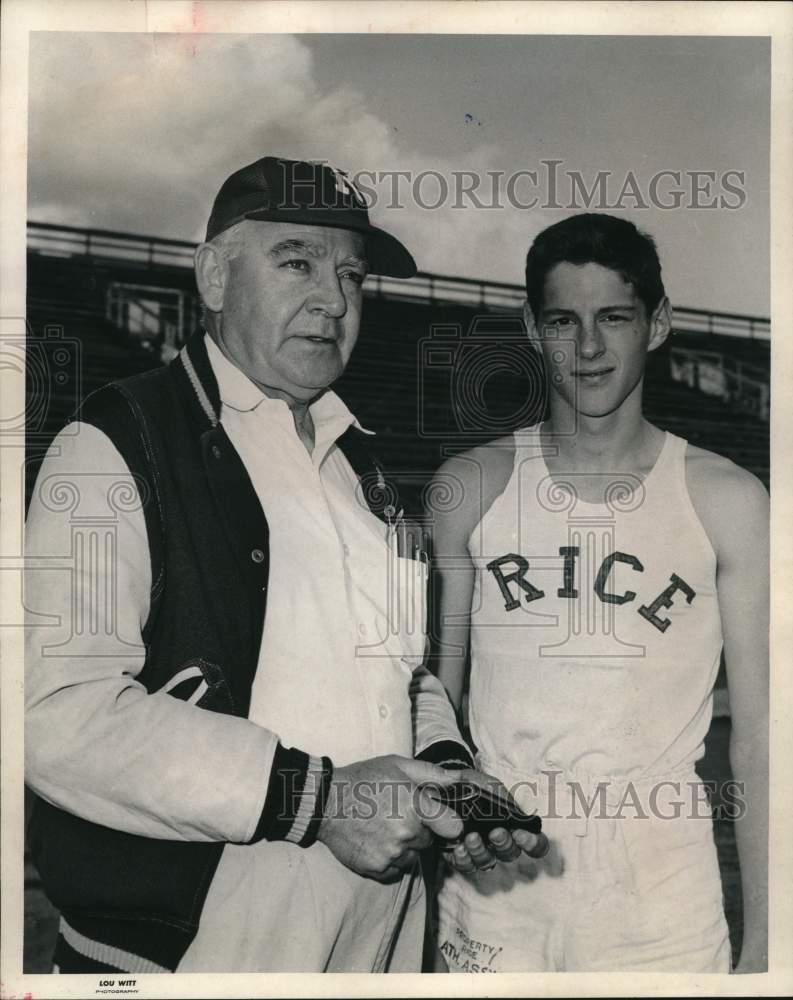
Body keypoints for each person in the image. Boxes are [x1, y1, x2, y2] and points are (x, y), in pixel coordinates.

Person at [23, 156, 545, 974]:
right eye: (296, 261)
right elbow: (56, 716)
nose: (333, 300)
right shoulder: (114, 442)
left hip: (379, 927)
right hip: (198, 941)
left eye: (351, 276)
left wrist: (449, 779)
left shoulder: (361, 469)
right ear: (215, 277)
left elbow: (404, 677)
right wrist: (320, 798)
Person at [430, 213, 768, 973]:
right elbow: (433, 715)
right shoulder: (470, 488)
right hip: (496, 879)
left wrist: (768, 941)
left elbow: (760, 741)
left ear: (656, 324)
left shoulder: (728, 500)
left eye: (612, 318)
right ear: (531, 327)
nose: (587, 348)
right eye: (563, 321)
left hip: (660, 891)